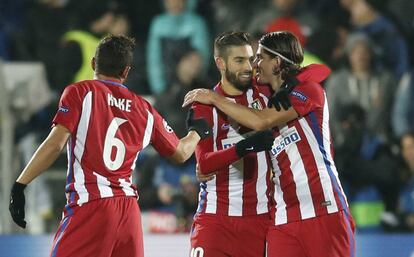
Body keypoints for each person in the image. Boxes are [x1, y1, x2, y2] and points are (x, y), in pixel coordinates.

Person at [8, 34, 212, 257]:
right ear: (126, 72)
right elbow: (181, 153)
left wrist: (20, 184)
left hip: (91, 204)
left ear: (94, 63)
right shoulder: (144, 109)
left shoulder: (80, 93)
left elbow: (55, 144)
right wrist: (197, 131)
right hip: (128, 212)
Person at [183, 31, 356, 257]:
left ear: (276, 61)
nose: (254, 64)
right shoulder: (266, 96)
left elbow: (263, 118)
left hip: (323, 205)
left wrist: (214, 98)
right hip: (283, 216)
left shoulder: (307, 90)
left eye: (259, 57)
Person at [189, 31, 274, 257]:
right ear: (220, 63)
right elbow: (205, 165)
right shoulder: (204, 105)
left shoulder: (267, 93)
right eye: (239, 60)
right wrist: (246, 147)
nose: (248, 67)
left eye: (250, 59)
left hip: (261, 219)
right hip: (215, 220)